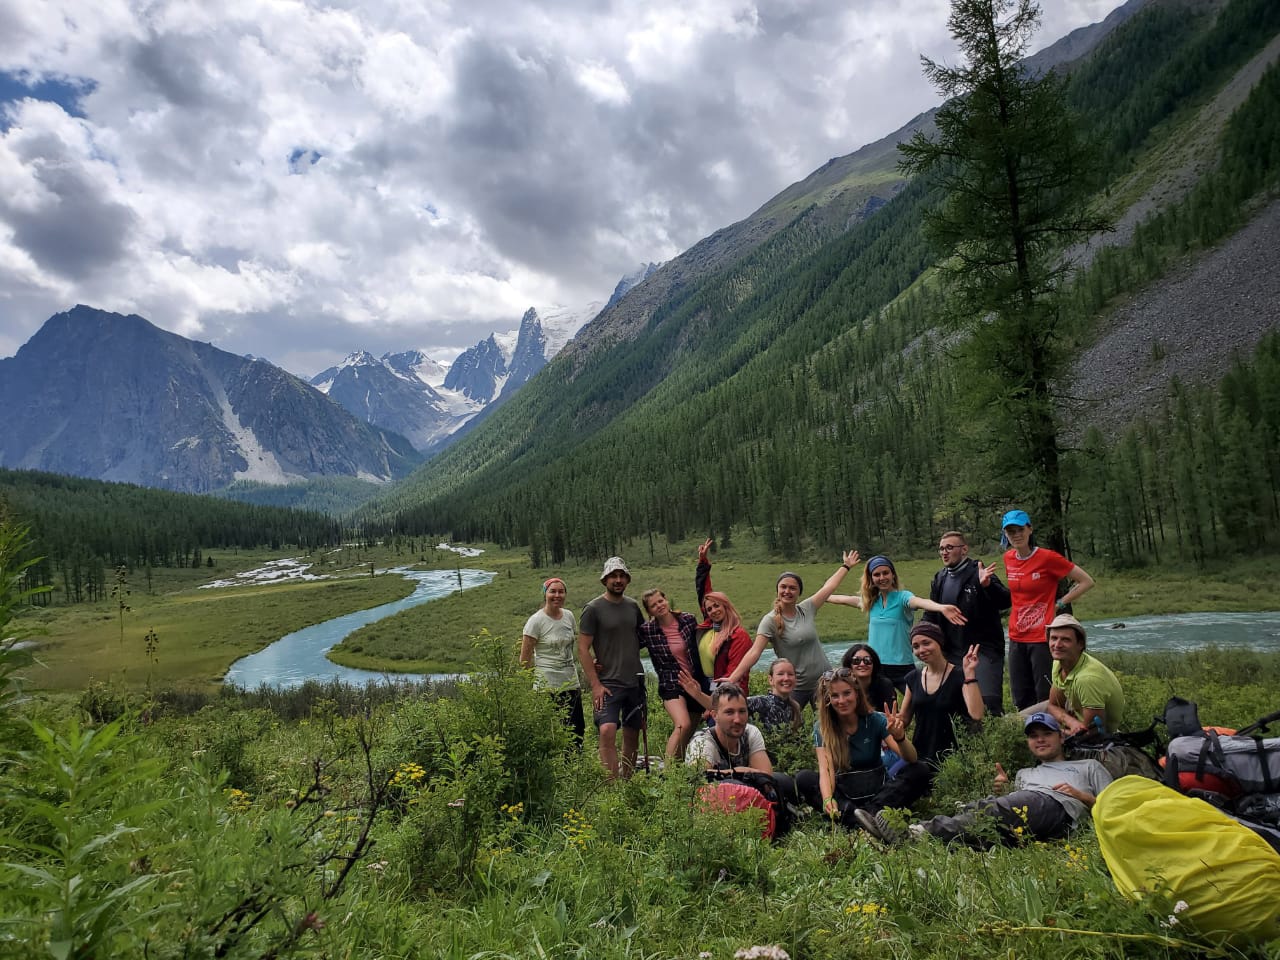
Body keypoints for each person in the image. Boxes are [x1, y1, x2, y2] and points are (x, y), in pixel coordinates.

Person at [857, 712, 1114, 847]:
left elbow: (1114, 807)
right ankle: (905, 837)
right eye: (1033, 736)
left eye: (1047, 733)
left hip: (1060, 809)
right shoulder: (1026, 774)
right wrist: (1006, 789)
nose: (1040, 739)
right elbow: (1010, 809)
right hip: (1029, 813)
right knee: (980, 824)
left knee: (997, 808)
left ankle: (915, 832)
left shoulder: (1087, 766)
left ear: (1061, 737)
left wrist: (1083, 797)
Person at [795, 667, 925, 833]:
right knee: (804, 778)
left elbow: (911, 758)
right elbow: (826, 770)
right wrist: (828, 799)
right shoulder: (822, 728)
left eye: (847, 693)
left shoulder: (876, 719)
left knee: (920, 769)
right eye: (835, 696)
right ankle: (866, 821)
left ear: (857, 693)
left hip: (879, 793)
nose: (842, 700)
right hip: (846, 795)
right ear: (828, 699)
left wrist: (900, 737)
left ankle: (865, 818)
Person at [736, 551, 861, 708]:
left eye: (792, 588)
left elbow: (829, 587)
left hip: (824, 682)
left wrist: (846, 566)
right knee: (789, 728)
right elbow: (755, 652)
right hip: (795, 687)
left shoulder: (807, 608)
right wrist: (733, 678)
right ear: (777, 590)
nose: (787, 591)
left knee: (830, 727)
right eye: (783, 587)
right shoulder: (770, 620)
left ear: (799, 593)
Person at [1001, 510, 1096, 710]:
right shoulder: (1008, 558)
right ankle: (1027, 738)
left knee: (1045, 695)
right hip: (1016, 636)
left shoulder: (1047, 558)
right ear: (1005, 535)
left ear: (1030, 529)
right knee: (1020, 695)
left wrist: (1060, 603)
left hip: (1041, 637)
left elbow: (1086, 581)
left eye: (1020, 529)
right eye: (1011, 531)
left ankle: (1053, 734)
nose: (1016, 535)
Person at [829, 555, 966, 692]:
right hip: (876, 667)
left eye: (886, 573)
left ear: (893, 575)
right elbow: (837, 597)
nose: (882, 577)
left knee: (918, 703)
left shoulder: (903, 597)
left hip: (902, 667)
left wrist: (941, 607)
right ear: (871, 579)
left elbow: (919, 601)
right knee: (877, 709)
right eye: (877, 574)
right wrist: (845, 568)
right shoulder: (870, 602)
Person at [685, 681, 800, 835]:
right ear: (714, 715)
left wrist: (739, 774)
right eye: (729, 712)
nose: (738, 719)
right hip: (716, 804)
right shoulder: (703, 743)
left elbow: (766, 775)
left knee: (783, 781)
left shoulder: (750, 732)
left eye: (742, 711)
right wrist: (740, 772)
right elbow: (698, 782)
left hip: (749, 796)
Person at [923, 530, 1011, 715]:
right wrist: (920, 634)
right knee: (955, 706)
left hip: (983, 650)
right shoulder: (940, 578)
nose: (944, 552)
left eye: (949, 547)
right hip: (952, 651)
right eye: (941, 549)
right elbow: (931, 614)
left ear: (964, 549)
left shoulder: (978, 571)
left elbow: (1005, 601)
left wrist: (987, 585)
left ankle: (998, 741)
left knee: (987, 705)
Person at [578, 557, 646, 779]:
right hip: (607, 682)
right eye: (613, 576)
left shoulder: (633, 607)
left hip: (634, 680)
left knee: (632, 732)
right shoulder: (593, 609)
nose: (618, 580)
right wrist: (595, 685)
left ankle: (627, 781)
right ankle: (611, 786)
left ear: (627, 579)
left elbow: (644, 636)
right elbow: (582, 649)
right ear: (604, 579)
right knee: (607, 730)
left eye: (622, 576)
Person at [898, 623, 984, 768]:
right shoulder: (912, 678)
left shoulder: (959, 676)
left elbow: (977, 714)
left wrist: (969, 673)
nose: (921, 650)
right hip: (919, 755)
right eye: (916, 646)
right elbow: (904, 719)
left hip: (953, 759)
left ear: (939, 642)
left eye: (926, 643)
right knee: (892, 779)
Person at [638, 587, 706, 761]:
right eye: (653, 605)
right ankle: (667, 775)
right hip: (670, 684)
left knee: (687, 734)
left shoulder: (688, 620)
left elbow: (705, 642)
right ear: (649, 611)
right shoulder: (647, 630)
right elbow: (627, 647)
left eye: (660, 601)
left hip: (694, 683)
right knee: (683, 725)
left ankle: (678, 773)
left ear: (666, 600)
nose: (659, 606)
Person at [520, 577, 584, 746]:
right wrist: (528, 685)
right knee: (550, 734)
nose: (557, 595)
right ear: (545, 594)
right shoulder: (536, 621)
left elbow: (575, 645)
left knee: (576, 732)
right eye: (552, 591)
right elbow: (525, 659)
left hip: (571, 683)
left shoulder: (569, 616)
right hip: (546, 687)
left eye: (561, 591)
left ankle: (575, 770)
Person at [1043, 614, 1125, 735]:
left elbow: (1093, 733)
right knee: (1021, 719)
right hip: (1076, 718)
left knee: (1033, 728)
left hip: (1099, 734)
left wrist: (1057, 732)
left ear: (1080, 644)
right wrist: (1072, 723)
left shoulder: (1087, 679)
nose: (1057, 645)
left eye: (1065, 639)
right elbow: (1053, 705)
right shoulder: (1059, 663)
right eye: (1054, 638)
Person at [694, 539, 755, 695]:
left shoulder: (738, 636)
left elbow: (733, 675)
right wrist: (702, 561)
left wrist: (713, 704)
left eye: (717, 606)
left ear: (726, 606)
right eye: (709, 609)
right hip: (706, 686)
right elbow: (703, 591)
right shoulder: (710, 624)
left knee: (714, 720)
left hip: (729, 693)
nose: (713, 610)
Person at [840, 642, 897, 716]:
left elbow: (892, 715)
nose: (862, 664)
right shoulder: (843, 685)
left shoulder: (884, 685)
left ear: (874, 664)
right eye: (856, 660)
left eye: (867, 660)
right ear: (849, 665)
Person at [746, 658, 802, 732]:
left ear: (795, 679)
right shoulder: (759, 703)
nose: (786, 678)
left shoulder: (795, 707)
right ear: (770, 679)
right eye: (780, 674)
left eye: (790, 674)